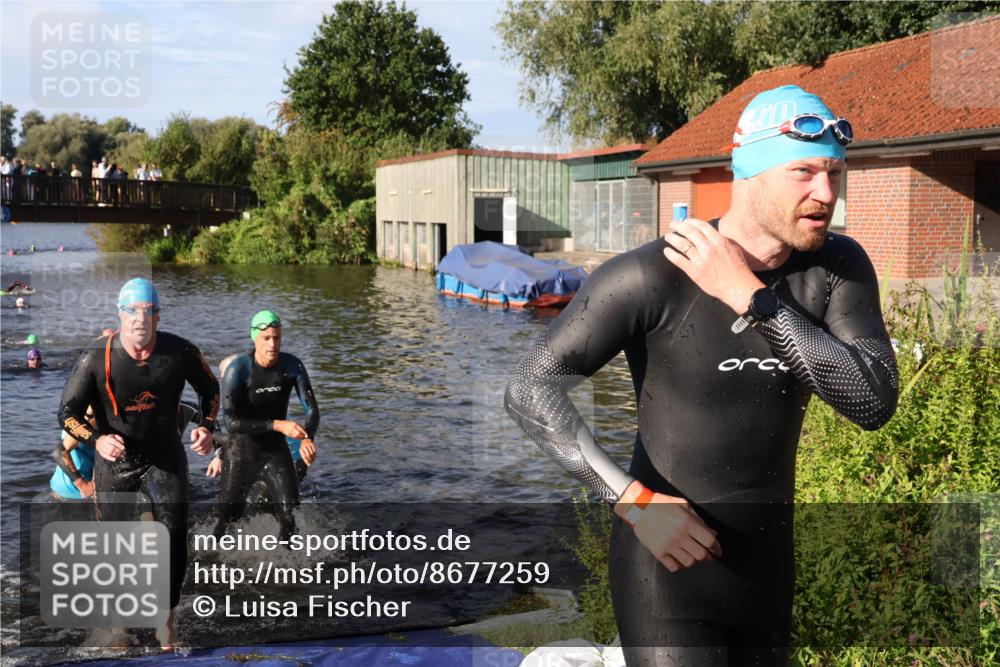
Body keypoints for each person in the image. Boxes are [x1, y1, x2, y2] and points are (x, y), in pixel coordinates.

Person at [504, 85, 899, 666]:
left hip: (766, 572)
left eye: (835, 173)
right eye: (804, 172)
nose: (826, 194)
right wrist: (632, 502)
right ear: (750, 173)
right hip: (664, 572)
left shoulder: (837, 268)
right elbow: (530, 388)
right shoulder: (652, 275)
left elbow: (872, 401)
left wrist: (752, 298)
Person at [57, 277, 219, 650]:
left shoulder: (180, 353)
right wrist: (97, 440)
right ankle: (119, 627)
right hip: (116, 465)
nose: (139, 321)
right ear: (120, 315)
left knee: (175, 536)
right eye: (132, 312)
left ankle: (166, 620)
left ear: (158, 317)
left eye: (147, 312)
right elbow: (66, 412)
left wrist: (208, 428)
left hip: (164, 458)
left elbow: (210, 389)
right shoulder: (96, 358)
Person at [212, 310, 319, 543]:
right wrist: (277, 425)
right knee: (228, 522)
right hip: (240, 454)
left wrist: (308, 438)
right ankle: (209, 563)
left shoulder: (292, 365)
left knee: (290, 515)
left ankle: (287, 569)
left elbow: (312, 410)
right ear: (254, 338)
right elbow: (232, 423)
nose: (272, 344)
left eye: (277, 337)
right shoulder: (238, 369)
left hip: (274, 453)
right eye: (266, 338)